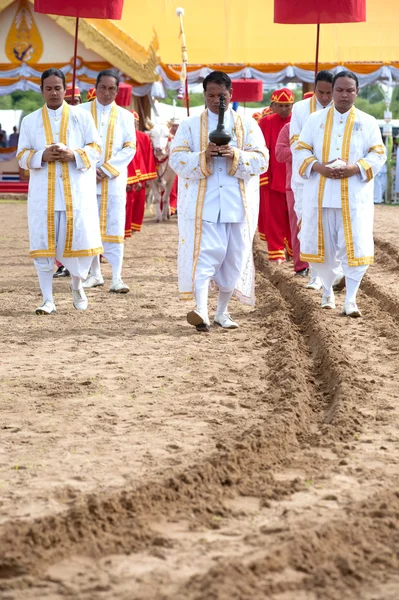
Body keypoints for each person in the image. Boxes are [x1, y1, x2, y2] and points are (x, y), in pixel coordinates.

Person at [170, 70, 269, 332]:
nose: (216, 101)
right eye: (211, 95)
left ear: (231, 94)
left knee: (233, 259)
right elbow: (176, 159)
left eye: (221, 95)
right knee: (205, 256)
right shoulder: (190, 126)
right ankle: (201, 310)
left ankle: (222, 312)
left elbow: (262, 159)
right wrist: (204, 156)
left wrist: (234, 154)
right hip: (204, 204)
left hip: (237, 204)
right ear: (204, 95)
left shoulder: (248, 125)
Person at [295, 70, 386, 317]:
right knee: (323, 246)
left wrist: (355, 168)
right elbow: (301, 150)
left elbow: (378, 154)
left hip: (354, 196)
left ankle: (351, 300)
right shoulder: (315, 120)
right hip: (321, 196)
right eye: (340, 90)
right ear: (331, 92)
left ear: (357, 92)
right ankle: (327, 292)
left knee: (354, 245)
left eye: (350, 90)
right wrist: (319, 166)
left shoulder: (367, 121)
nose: (344, 95)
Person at [17, 68, 102, 315]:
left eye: (57, 88)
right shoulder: (30, 121)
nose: (53, 92)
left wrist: (73, 154)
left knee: (77, 244)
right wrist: (41, 155)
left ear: (65, 90)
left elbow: (96, 148)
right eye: (48, 88)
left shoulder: (82, 117)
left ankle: (77, 286)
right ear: (42, 90)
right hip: (43, 197)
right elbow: (21, 156)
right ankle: (47, 299)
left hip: (75, 195)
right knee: (43, 247)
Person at [78, 70, 136, 293]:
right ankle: (95, 274)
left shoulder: (125, 116)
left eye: (112, 88)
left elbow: (130, 146)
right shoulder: (80, 112)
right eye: (103, 87)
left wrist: (106, 169)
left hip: (113, 182)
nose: (107, 92)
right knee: (89, 227)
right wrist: (89, 168)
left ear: (117, 91)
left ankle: (117, 277)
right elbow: (75, 143)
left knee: (114, 225)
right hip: (85, 180)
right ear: (95, 87)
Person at [290, 70, 335, 290]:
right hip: (306, 178)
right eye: (321, 93)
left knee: (331, 227)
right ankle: (315, 275)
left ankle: (333, 275)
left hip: (335, 178)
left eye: (329, 93)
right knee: (308, 225)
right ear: (313, 90)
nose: (325, 98)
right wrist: (317, 165)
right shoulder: (300, 109)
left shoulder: (343, 110)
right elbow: (296, 144)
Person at [258, 88, 294, 262]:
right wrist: (263, 176)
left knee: (293, 216)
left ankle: (294, 251)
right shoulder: (265, 123)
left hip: (293, 177)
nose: (285, 109)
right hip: (272, 178)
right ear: (273, 105)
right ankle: (276, 251)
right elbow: (261, 151)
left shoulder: (297, 122)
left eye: (288, 106)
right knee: (273, 217)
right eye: (281, 105)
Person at [53, 85, 83, 278]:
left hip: (81, 180)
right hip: (56, 182)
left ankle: (85, 266)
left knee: (80, 227)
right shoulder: (51, 121)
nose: (73, 105)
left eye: (76, 101)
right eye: (69, 101)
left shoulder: (87, 121)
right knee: (58, 228)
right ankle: (62, 264)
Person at [276, 122, 309, 276]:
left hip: (324, 183)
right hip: (295, 185)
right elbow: (280, 154)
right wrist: (303, 152)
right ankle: (302, 266)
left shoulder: (328, 123)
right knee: (298, 225)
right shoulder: (290, 127)